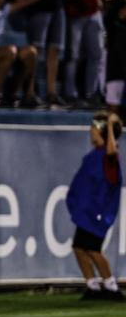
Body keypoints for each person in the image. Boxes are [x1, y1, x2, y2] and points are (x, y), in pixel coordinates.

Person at [66, 110, 124, 300]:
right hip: (87, 212)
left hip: (97, 213)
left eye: (93, 128)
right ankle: (93, 286)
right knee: (78, 247)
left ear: (102, 133)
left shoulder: (109, 158)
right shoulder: (95, 156)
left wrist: (109, 125)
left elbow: (112, 151)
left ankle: (111, 286)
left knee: (92, 249)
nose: (90, 131)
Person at [22, 0, 77, 108]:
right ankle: (29, 93)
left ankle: (51, 93)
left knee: (55, 50)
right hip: (39, 6)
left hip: (58, 7)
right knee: (36, 51)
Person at [63, 0, 106, 107]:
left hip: (94, 12)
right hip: (76, 11)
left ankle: (91, 93)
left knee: (96, 54)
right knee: (73, 55)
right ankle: (70, 94)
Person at [104, 0, 126, 116]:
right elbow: (108, 17)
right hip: (115, 74)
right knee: (112, 109)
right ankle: (105, 132)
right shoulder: (113, 27)